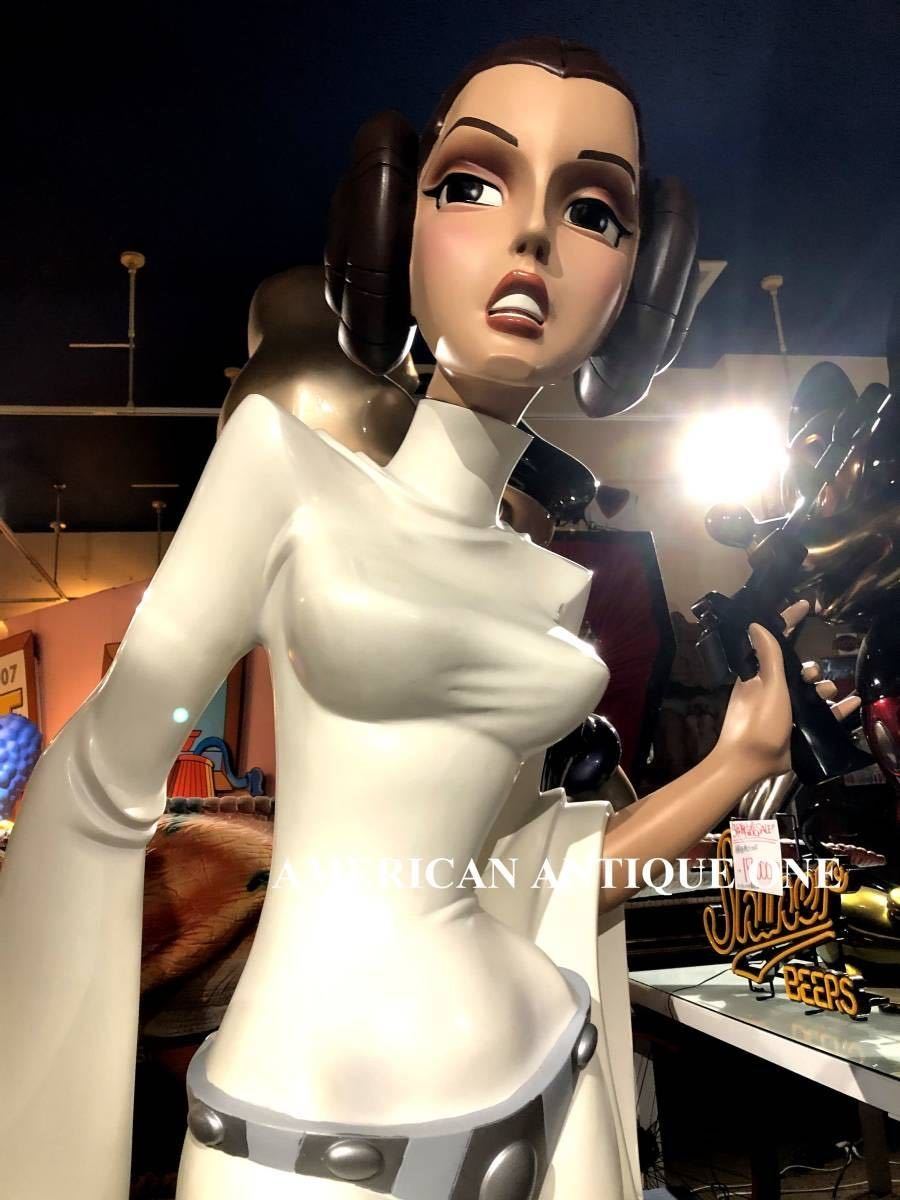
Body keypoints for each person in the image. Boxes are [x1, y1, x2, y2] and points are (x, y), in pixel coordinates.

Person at [0, 36, 856, 1200]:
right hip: (290, 1139)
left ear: (640, 292)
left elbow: (541, 877)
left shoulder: (550, 586)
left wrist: (738, 762)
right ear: (390, 221)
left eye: (593, 210)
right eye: (474, 184)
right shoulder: (280, 472)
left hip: (546, 1086)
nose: (533, 235)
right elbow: (101, 786)